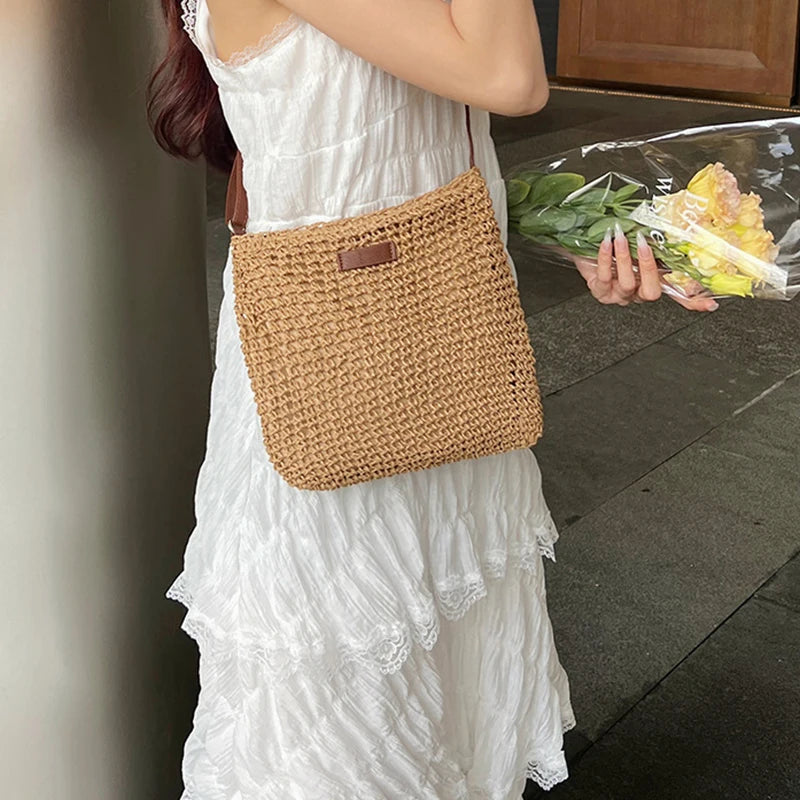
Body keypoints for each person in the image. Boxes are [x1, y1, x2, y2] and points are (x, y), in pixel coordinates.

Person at [147, 2, 718, 798]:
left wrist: (583, 229)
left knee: (442, 701)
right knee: (338, 728)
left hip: (432, 352)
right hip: (333, 374)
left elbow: (393, 144)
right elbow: (508, 78)